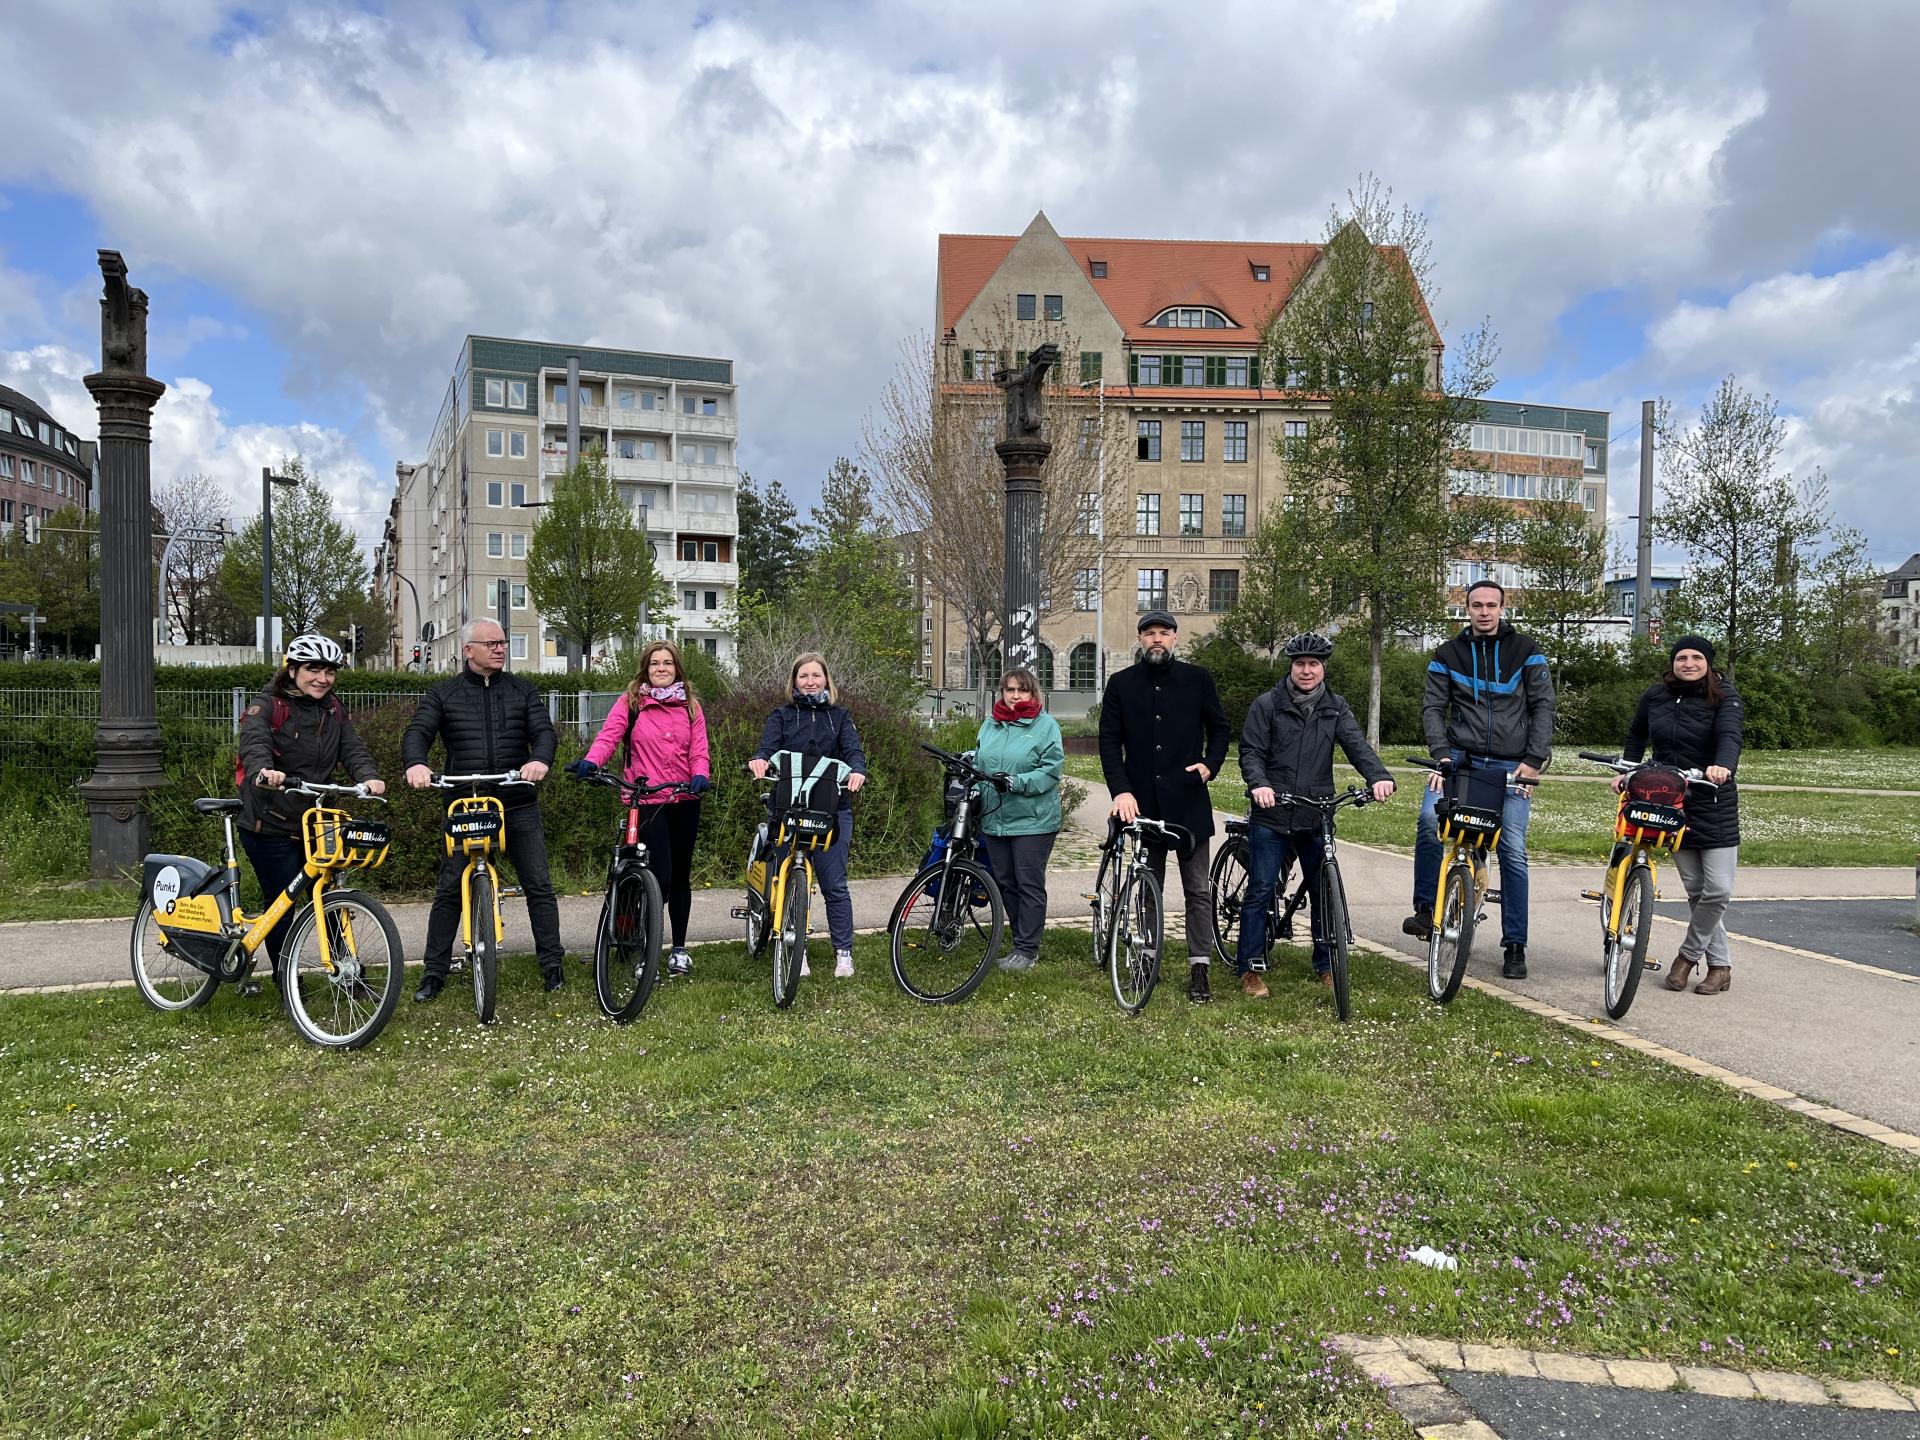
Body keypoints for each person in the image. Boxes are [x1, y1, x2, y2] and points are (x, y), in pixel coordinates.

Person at [402, 618, 564, 1000]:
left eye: (503, 643)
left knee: (539, 886)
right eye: (491, 643)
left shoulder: (523, 690)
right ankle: (434, 973)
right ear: (468, 650)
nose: (500, 649)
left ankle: (553, 967)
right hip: (466, 804)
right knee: (448, 890)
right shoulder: (443, 693)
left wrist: (540, 760)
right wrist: (416, 763)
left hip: (517, 801)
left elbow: (544, 732)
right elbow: (418, 732)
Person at [1404, 579, 1555, 979]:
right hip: (1460, 759)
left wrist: (1535, 760)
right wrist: (1441, 757)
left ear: (1504, 609)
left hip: (1512, 765)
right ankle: (1425, 908)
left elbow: (1543, 707)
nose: (1484, 611)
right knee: (1427, 821)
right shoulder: (1447, 654)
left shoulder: (1527, 651)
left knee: (1513, 849)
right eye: (1476, 605)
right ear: (1465, 609)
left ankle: (1515, 944)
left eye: (1492, 605)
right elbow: (1434, 707)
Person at [1235, 633, 1395, 998]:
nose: (1306, 671)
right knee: (1261, 889)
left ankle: (1325, 963)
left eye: (1313, 665)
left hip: (1315, 813)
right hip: (1271, 811)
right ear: (1290, 667)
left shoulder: (1335, 707)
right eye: (1300, 664)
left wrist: (1379, 776)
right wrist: (1259, 785)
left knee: (1324, 887)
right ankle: (1250, 967)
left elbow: (1357, 746)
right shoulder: (1267, 704)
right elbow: (1251, 752)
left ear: (1323, 668)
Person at [235, 633, 385, 990]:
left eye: (329, 671)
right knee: (283, 902)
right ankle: (286, 975)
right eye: (313, 669)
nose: (322, 678)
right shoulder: (267, 705)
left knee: (329, 894)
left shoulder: (333, 708)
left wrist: (369, 776)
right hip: (270, 821)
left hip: (317, 819)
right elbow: (254, 743)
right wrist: (264, 772)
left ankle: (345, 969)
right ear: (292, 670)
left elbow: (352, 747)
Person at [1098, 610, 1230, 1002]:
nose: (1157, 639)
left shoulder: (1197, 679)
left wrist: (1211, 765)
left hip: (1188, 799)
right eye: (1150, 633)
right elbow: (1108, 740)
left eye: (1164, 633)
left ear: (1175, 638)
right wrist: (1120, 791)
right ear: (1140, 639)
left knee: (1197, 890)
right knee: (1146, 886)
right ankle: (1146, 957)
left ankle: (1199, 967)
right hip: (1141, 802)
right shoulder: (1121, 684)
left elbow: (1220, 728)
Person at [570, 640, 712, 977]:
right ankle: (648, 950)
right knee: (657, 876)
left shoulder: (691, 707)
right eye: (654, 664)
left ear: (677, 668)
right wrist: (592, 761)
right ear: (645, 669)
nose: (661, 668)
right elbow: (609, 736)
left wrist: (700, 774)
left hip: (683, 797)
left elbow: (699, 749)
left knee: (679, 876)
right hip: (646, 799)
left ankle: (678, 949)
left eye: (667, 663)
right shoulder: (631, 702)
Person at [1619, 635, 1743, 995]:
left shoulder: (1725, 695)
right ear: (1673, 662)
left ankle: (1686, 958)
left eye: (1696, 657)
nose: (1688, 663)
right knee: (1695, 889)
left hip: (1712, 797)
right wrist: (1627, 772)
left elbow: (1730, 735)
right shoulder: (1655, 695)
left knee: (1717, 890)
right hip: (1670, 798)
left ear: (1707, 662)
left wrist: (1722, 766)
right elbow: (1636, 736)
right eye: (1681, 658)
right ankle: (1720, 967)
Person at [748, 653, 868, 978]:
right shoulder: (782, 715)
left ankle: (843, 953)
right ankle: (792, 946)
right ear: (794, 681)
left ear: (827, 680)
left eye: (816, 675)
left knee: (834, 884)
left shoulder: (839, 717)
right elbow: (767, 747)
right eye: (804, 676)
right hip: (787, 806)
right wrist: (760, 761)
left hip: (831, 808)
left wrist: (857, 770)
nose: (810, 681)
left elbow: (853, 750)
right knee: (786, 878)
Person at [973, 665, 1065, 973]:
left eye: (1021, 690)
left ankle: (1028, 949)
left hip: (1033, 820)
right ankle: (1018, 941)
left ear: (1032, 693)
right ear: (1002, 692)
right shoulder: (990, 725)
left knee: (1028, 884)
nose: (1015, 695)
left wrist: (1016, 782)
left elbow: (1050, 770)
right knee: (1005, 883)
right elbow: (980, 759)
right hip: (996, 818)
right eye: (1009, 689)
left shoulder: (1045, 725)